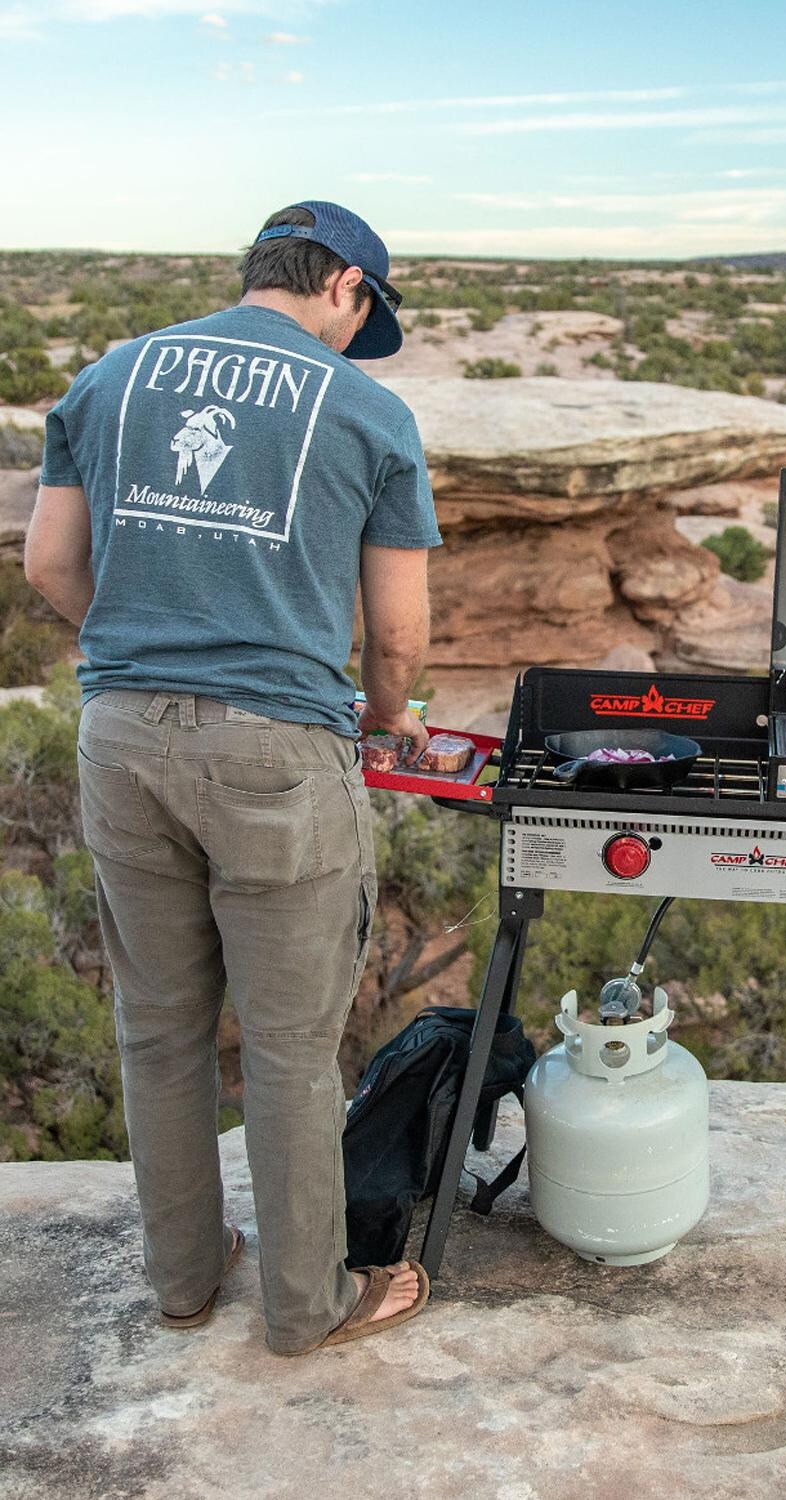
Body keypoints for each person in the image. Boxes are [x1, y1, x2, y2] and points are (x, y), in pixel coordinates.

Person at [25, 201, 440, 1354]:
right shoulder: (367, 410)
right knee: (290, 1045)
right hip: (276, 753)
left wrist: (142, 651)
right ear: (347, 285)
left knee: (157, 1031)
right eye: (366, 316)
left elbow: (51, 564)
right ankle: (309, 1308)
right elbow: (397, 636)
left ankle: (187, 1282)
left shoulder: (111, 377)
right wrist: (385, 719)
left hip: (120, 735)